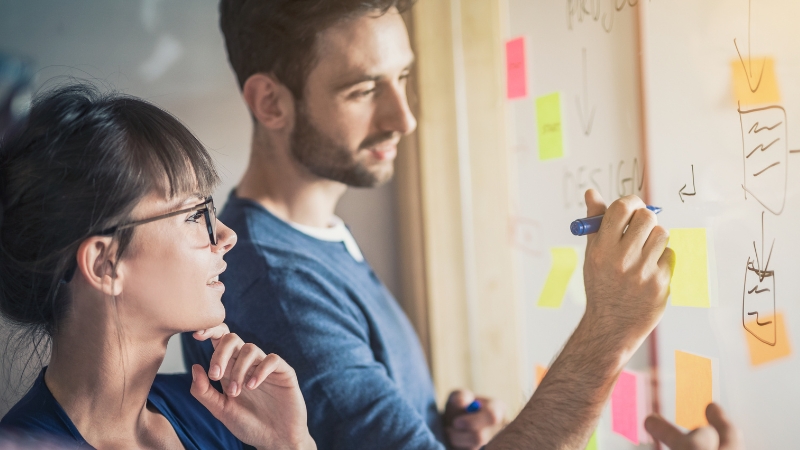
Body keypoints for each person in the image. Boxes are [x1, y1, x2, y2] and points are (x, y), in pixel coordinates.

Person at [177, 1, 674, 449]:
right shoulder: (277, 290)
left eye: (403, 78)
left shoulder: (310, 238)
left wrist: (434, 429)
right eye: (365, 89)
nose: (404, 117)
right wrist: (610, 331)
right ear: (271, 103)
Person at [0, 84, 316, 450]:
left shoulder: (220, 411)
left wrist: (290, 442)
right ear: (105, 263)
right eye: (196, 214)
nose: (227, 235)